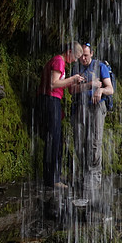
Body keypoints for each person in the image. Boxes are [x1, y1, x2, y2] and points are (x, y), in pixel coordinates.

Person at [36, 41, 86, 189]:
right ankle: (52, 179)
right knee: (54, 139)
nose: (76, 60)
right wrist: (72, 79)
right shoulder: (59, 60)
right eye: (76, 57)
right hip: (50, 99)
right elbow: (53, 84)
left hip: (52, 101)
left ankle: (53, 176)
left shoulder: (59, 61)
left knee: (56, 139)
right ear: (69, 52)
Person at [71, 43, 114, 183]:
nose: (83, 58)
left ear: (92, 53)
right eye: (81, 56)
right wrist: (90, 85)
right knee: (79, 141)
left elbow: (110, 89)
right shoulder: (76, 68)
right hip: (80, 106)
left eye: (86, 55)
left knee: (94, 142)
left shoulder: (100, 67)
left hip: (97, 107)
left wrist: (100, 91)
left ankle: (95, 178)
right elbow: (72, 90)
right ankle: (84, 173)